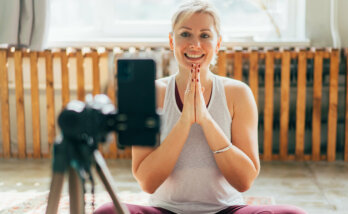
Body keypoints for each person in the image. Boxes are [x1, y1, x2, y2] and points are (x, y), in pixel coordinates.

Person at [95, 0, 307, 213]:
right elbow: (147, 182)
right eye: (185, 34)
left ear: (217, 43)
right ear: (171, 41)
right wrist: (185, 121)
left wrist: (205, 120)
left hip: (225, 209)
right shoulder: (152, 92)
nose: (194, 44)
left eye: (205, 35)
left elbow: (244, 181)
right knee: (107, 211)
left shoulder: (237, 93)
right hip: (165, 209)